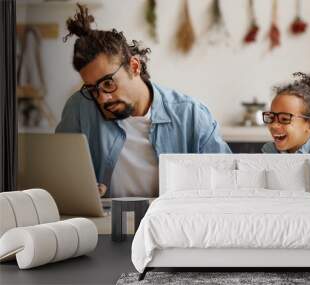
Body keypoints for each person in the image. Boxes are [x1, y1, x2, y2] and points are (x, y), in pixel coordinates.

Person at [56, 4, 231, 198]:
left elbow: (227, 182)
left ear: (134, 66)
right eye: (92, 89)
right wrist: (81, 191)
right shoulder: (79, 109)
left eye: (108, 83)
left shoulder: (192, 115)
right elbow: (60, 180)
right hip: (105, 225)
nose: (102, 98)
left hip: (172, 223)